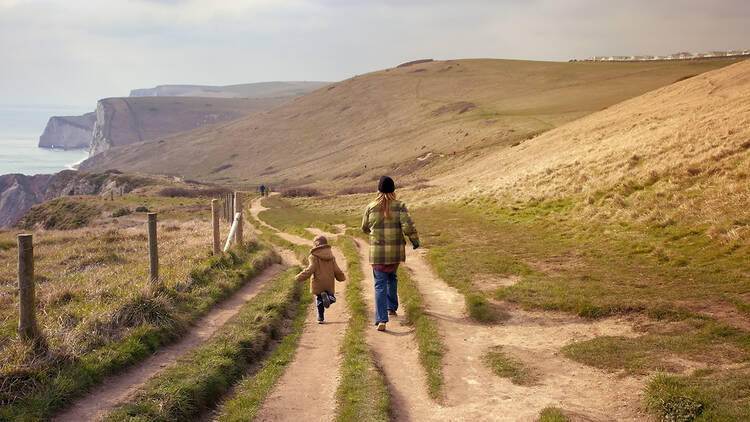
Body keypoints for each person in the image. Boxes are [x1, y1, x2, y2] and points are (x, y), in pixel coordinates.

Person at [361, 176, 420, 331]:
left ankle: (381, 320)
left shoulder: (370, 207)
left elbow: (364, 228)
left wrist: (374, 232)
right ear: (394, 190)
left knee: (379, 284)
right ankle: (391, 307)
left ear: (378, 190)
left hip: (377, 254)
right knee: (392, 277)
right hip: (394, 253)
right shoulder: (400, 206)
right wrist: (414, 241)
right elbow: (408, 226)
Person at [295, 235, 346, 323]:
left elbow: (310, 269)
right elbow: (336, 269)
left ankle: (320, 318)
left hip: (318, 282)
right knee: (329, 296)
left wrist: (299, 277)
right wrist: (341, 277)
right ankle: (330, 299)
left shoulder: (313, 256)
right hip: (329, 282)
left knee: (319, 300)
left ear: (316, 245)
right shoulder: (331, 256)